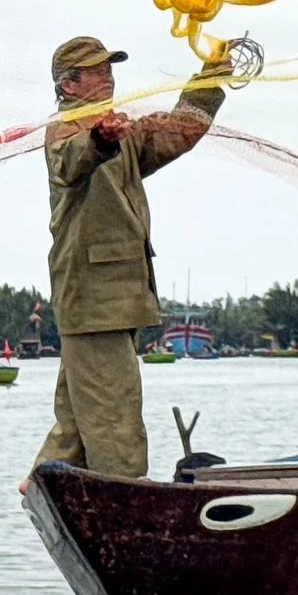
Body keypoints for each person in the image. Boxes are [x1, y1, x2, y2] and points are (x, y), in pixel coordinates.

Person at [36, 35, 228, 478]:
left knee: (76, 425)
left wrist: (212, 77)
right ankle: (125, 504)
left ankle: (40, 489)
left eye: (110, 69)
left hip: (111, 302)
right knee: (114, 421)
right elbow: (72, 161)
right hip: (93, 300)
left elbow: (179, 131)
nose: (108, 78)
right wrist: (101, 139)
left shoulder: (120, 129)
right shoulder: (66, 130)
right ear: (68, 85)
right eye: (97, 71)